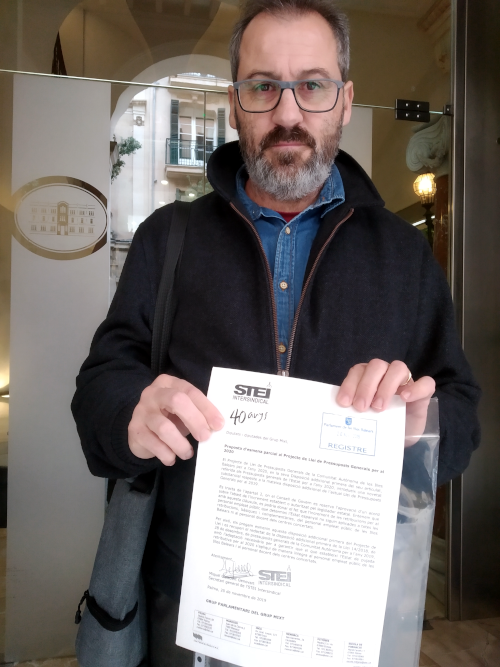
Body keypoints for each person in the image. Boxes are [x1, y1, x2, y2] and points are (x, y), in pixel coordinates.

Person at [72, 1, 480, 665]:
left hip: (345, 619)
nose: (288, 113)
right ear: (236, 103)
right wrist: (129, 412)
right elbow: (98, 385)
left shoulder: (403, 256)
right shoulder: (167, 240)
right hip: (188, 615)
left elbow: (461, 409)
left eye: (312, 85)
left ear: (345, 101)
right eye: (263, 86)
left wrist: (420, 424)